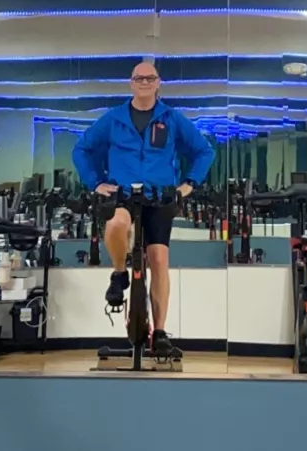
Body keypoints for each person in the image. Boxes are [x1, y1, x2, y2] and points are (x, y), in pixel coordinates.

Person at [71, 62, 215, 354]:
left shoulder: (171, 118)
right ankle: (120, 272)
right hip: (123, 193)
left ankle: (159, 332)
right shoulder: (113, 119)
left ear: (159, 83)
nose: (145, 82)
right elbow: (81, 149)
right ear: (131, 83)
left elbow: (204, 151)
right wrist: (95, 182)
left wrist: (189, 184)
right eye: (140, 78)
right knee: (116, 226)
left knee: (159, 258)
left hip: (160, 196)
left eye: (151, 78)